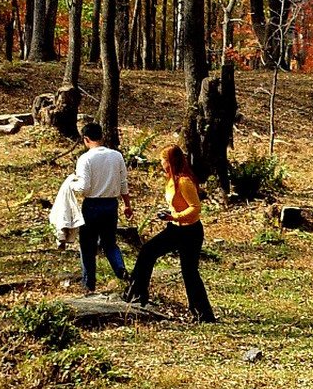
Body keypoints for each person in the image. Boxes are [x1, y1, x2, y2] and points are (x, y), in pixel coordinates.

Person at [124, 145, 215, 323]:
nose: (161, 164)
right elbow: (179, 203)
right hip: (175, 228)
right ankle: (136, 294)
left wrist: (175, 216)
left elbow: (196, 208)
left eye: (163, 160)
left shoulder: (184, 181)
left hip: (189, 231)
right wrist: (170, 213)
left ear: (170, 162)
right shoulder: (171, 180)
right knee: (147, 252)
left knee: (189, 272)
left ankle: (203, 315)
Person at [74, 122, 133, 294]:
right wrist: (127, 205)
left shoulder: (85, 159)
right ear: (102, 136)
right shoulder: (116, 156)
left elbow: (84, 187)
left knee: (87, 245)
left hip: (92, 205)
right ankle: (120, 269)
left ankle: (88, 284)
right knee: (110, 243)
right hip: (111, 204)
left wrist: (72, 185)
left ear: (86, 139)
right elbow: (123, 184)